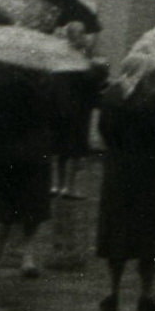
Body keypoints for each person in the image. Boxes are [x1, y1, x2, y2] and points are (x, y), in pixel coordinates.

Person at [95, 56, 155, 311]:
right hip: (149, 173)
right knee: (148, 235)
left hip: (118, 171)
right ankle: (146, 293)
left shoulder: (110, 97)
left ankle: (113, 291)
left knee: (117, 231)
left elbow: (105, 133)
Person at [0, 58, 56, 277]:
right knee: (32, 205)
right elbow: (55, 118)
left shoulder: (0, 84)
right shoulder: (45, 86)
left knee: (3, 205)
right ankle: (27, 257)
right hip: (36, 153)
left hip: (6, 152)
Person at [50, 20, 106, 199]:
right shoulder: (80, 56)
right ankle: (69, 186)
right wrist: (100, 68)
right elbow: (90, 80)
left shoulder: (59, 54)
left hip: (58, 106)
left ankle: (55, 184)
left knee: (58, 148)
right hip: (77, 108)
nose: (85, 37)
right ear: (76, 35)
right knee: (74, 148)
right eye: (82, 34)